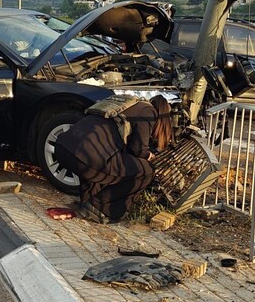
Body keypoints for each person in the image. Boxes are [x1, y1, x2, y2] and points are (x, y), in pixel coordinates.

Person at [53, 95, 174, 224]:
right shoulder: (148, 111)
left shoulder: (126, 104)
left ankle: (88, 201)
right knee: (146, 170)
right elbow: (138, 150)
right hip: (86, 160)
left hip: (62, 149)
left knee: (106, 157)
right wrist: (148, 155)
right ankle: (101, 209)